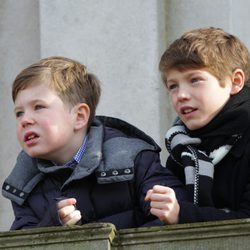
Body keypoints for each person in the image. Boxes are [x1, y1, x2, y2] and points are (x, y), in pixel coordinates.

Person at [2, 56, 185, 230]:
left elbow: (172, 222)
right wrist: (51, 227)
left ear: (79, 117)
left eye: (38, 107)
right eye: (19, 113)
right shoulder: (24, 182)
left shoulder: (133, 159)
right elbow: (20, 242)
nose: (25, 120)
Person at [148, 26, 250, 224]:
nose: (181, 95)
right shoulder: (181, 151)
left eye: (195, 80)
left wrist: (182, 215)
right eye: (173, 86)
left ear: (235, 81)